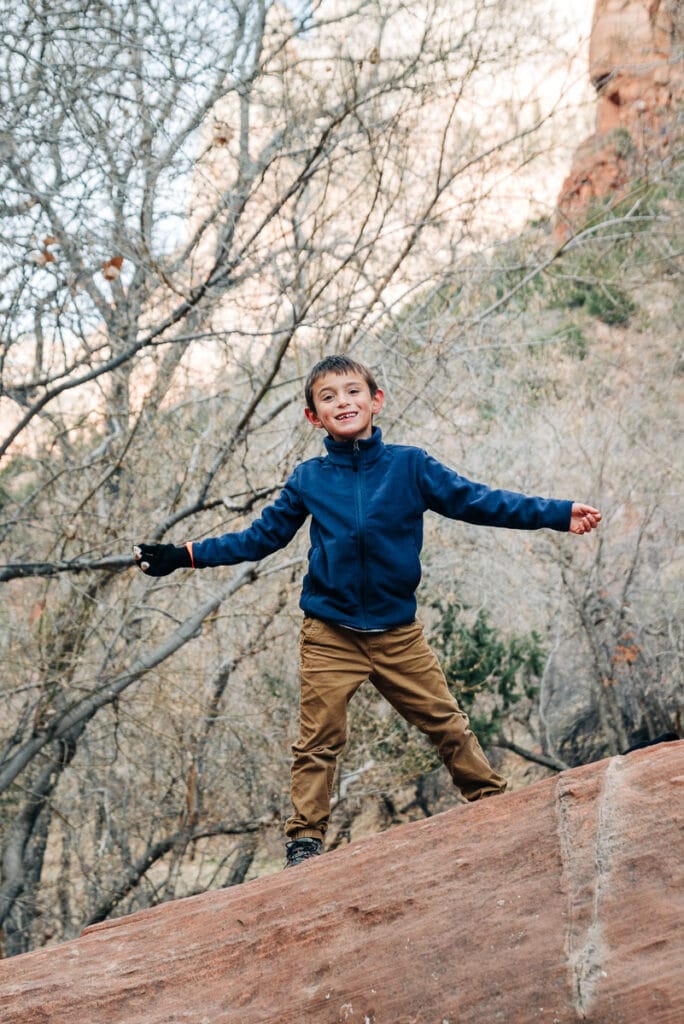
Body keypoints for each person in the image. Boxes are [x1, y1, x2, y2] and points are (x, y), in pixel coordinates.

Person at [134, 355, 601, 867]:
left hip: (397, 634)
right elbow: (261, 537)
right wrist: (184, 555)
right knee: (318, 740)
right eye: (328, 397)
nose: (343, 403)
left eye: (353, 392)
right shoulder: (309, 479)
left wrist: (557, 514)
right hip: (330, 633)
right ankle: (304, 841)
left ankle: (492, 801)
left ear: (375, 401)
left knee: (448, 725)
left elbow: (482, 501)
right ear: (314, 417)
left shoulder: (410, 466)